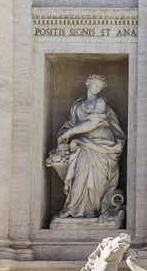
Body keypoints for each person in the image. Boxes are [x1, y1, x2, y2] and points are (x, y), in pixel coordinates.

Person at [49, 75, 126, 220]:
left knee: (99, 179)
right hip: (83, 144)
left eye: (100, 87)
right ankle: (73, 208)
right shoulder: (77, 105)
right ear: (87, 83)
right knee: (80, 174)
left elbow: (93, 123)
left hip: (102, 144)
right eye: (95, 85)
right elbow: (70, 123)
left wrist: (69, 133)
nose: (97, 89)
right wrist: (64, 134)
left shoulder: (101, 102)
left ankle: (94, 209)